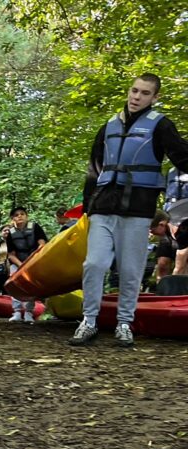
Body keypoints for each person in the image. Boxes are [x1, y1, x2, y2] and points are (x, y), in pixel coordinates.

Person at [69, 74, 188, 347]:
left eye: (145, 93)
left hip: (137, 209)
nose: (137, 97)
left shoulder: (161, 126)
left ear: (154, 98)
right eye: (134, 91)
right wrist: (88, 206)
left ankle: (124, 323)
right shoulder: (109, 126)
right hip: (103, 206)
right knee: (94, 264)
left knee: (131, 269)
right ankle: (89, 321)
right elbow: (94, 169)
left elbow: (182, 155)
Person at [5, 206, 48, 323]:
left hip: (34, 261)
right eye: (16, 215)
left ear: (26, 216)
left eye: (22, 214)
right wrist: (22, 265)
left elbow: (42, 245)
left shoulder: (35, 227)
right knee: (15, 285)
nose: (19, 216)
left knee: (31, 287)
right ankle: (17, 312)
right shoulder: (10, 233)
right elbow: (11, 255)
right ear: (12, 219)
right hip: (17, 262)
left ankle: (29, 313)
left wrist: (31, 262)